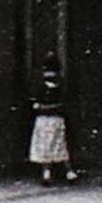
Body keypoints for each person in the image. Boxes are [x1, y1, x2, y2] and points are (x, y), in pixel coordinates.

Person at [28, 55, 77, 185]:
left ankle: (47, 172)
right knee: (59, 144)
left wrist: (42, 107)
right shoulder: (60, 86)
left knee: (46, 145)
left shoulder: (40, 87)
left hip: (44, 119)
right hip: (55, 119)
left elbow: (36, 105)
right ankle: (67, 171)